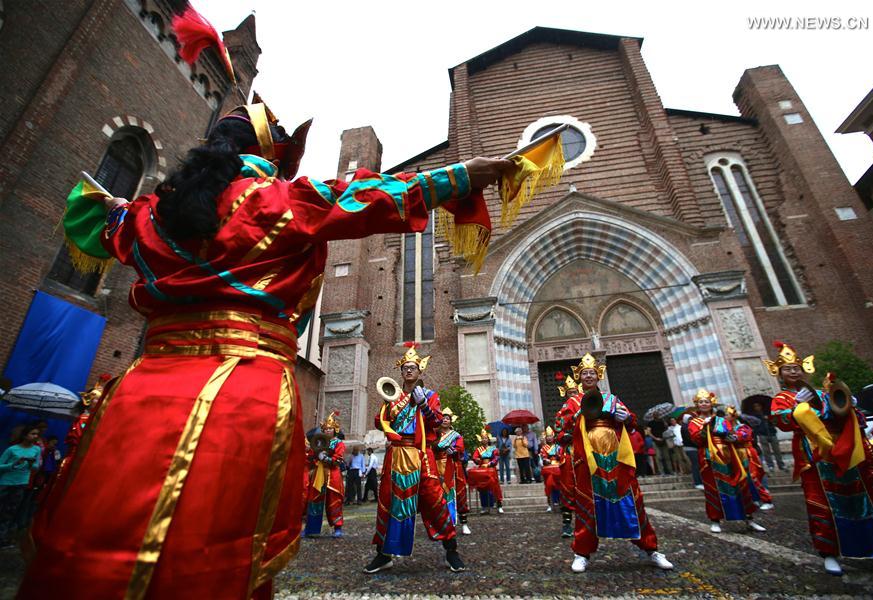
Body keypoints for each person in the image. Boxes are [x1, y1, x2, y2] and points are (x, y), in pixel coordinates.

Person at [21, 92, 508, 597]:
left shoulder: (153, 214)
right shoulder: (278, 201)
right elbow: (366, 198)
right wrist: (459, 176)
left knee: (99, 533)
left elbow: (109, 221)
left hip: (138, 391)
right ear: (270, 154)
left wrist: (116, 205)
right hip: (239, 388)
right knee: (213, 549)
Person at [767, 340, 873, 575]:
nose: (793, 372)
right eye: (787, 369)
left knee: (861, 495)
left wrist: (847, 404)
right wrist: (798, 408)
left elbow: (843, 414)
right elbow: (781, 420)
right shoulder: (781, 398)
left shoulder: (821, 393)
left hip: (841, 451)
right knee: (822, 502)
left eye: (796, 367)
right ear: (779, 373)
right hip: (814, 456)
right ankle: (828, 552)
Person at [556, 353, 673, 573]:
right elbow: (560, 431)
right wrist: (576, 417)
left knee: (632, 501)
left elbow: (632, 421)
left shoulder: (612, 399)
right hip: (588, 460)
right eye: (584, 373)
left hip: (616, 457)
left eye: (592, 373)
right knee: (587, 504)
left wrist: (625, 418)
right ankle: (581, 553)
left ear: (598, 376)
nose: (588, 376)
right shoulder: (572, 402)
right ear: (579, 377)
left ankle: (651, 549)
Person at [365, 343, 464, 573]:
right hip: (396, 453)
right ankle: (383, 554)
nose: (409, 370)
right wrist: (387, 409)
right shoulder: (392, 396)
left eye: (413, 367)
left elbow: (437, 422)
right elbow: (379, 422)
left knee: (434, 499)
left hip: (421, 454)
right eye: (405, 367)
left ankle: (451, 550)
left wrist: (424, 406)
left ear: (420, 371)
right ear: (401, 371)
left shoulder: (430, 396)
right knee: (388, 502)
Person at [688, 390, 766, 534]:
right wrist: (706, 428)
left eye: (706, 401)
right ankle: (715, 520)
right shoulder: (694, 422)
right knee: (713, 488)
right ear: (697, 405)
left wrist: (734, 437)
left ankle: (749, 519)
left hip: (729, 455)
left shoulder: (721, 419)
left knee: (740, 485)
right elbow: (696, 439)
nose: (704, 404)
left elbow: (731, 432)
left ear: (711, 403)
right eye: (701, 402)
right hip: (708, 456)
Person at [304, 412, 346, 538]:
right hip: (318, 474)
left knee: (334, 500)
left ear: (335, 430)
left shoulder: (339, 443)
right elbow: (311, 457)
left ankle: (337, 527)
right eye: (326, 429)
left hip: (332, 474)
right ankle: (311, 528)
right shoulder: (318, 442)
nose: (328, 431)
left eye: (330, 428)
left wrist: (326, 458)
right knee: (314, 500)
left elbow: (338, 459)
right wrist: (310, 453)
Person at [0, 425, 42, 547]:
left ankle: (2, 537)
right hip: (5, 483)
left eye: (37, 434)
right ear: (24, 435)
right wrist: (14, 464)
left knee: (10, 511)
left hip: (21, 483)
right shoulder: (12, 449)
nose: (35, 436)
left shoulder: (36, 450)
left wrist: (31, 464)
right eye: (32, 433)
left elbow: (36, 467)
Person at [434, 407, 471, 535]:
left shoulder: (456, 436)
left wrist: (454, 451)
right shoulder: (435, 434)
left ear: (451, 421)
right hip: (437, 467)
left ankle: (463, 523)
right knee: (438, 495)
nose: (445, 420)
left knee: (458, 494)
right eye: (443, 418)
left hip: (453, 467)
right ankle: (440, 524)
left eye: (447, 418)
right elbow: (430, 446)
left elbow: (460, 448)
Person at [730, 409, 775, 510]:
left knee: (754, 477)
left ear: (733, 416)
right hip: (738, 455)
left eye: (727, 415)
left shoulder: (743, 427)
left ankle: (767, 500)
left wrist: (735, 437)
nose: (725, 417)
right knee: (744, 479)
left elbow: (744, 436)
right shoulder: (728, 428)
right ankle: (754, 500)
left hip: (748, 454)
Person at [555, 375, 580, 538]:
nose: (572, 395)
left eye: (574, 392)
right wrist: (564, 436)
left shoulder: (586, 407)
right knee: (567, 487)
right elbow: (558, 431)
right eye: (570, 393)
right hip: (569, 453)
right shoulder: (561, 412)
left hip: (585, 451)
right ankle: (567, 524)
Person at [469, 428, 505, 515]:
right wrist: (477, 460)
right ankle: (484, 506)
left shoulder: (493, 448)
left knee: (495, 487)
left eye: (486, 438)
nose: (484, 440)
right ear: (480, 440)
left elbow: (496, 458)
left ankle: (499, 505)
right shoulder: (478, 449)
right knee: (482, 488)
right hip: (482, 471)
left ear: (488, 439)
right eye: (483, 438)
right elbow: (474, 457)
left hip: (491, 470)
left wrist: (489, 464)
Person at [745, 399, 786, 472]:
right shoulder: (754, 416)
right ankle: (770, 465)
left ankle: (781, 464)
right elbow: (754, 425)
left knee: (777, 450)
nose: (757, 407)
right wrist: (758, 431)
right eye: (755, 406)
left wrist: (769, 419)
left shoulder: (768, 413)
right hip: (762, 434)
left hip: (772, 433)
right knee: (766, 451)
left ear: (761, 406)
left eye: (758, 406)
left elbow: (775, 421)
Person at [539, 427, 562, 511]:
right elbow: (543, 457)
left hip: (557, 468)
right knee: (548, 485)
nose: (549, 438)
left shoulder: (558, 447)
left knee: (559, 485)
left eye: (550, 436)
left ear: (553, 436)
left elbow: (560, 456)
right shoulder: (543, 448)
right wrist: (546, 460)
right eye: (547, 436)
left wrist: (558, 457)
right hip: (548, 469)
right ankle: (550, 503)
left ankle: (560, 502)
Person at [680, 413, 703, 489]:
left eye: (691, 419)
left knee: (697, 464)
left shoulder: (687, 426)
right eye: (689, 419)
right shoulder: (685, 428)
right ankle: (697, 482)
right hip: (690, 448)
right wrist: (698, 444)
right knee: (695, 465)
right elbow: (689, 439)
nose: (691, 420)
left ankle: (699, 481)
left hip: (692, 448)